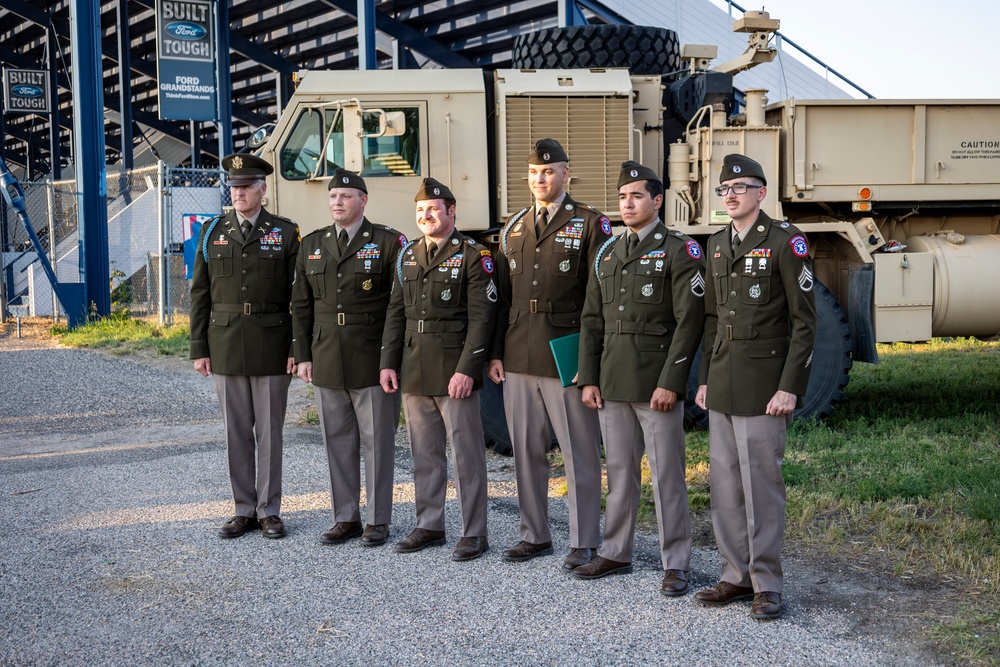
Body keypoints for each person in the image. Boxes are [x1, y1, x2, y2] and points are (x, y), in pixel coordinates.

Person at [693, 153, 817, 619]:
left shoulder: (787, 243)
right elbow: (710, 321)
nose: (731, 195)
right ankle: (733, 576)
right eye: (724, 189)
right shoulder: (717, 244)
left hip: (766, 385)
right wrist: (704, 378)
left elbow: (805, 324)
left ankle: (767, 583)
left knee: (761, 486)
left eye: (740, 187)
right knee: (725, 484)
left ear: (761, 193)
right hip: (722, 380)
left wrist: (790, 387)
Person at [575, 161, 705, 593]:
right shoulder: (608, 252)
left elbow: (690, 322)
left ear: (657, 200)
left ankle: (676, 563)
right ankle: (615, 552)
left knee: (667, 475)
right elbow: (592, 320)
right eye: (622, 197)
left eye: (636, 196)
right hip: (612, 380)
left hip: (656, 384)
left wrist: (672, 382)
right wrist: (588, 378)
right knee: (620, 474)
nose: (627, 204)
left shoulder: (679, 250)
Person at [489, 138, 612, 572]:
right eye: (534, 173)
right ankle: (534, 534)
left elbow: (601, 299)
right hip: (519, 352)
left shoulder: (592, 223)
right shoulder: (514, 226)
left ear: (566, 174)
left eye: (549, 171)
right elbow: (501, 298)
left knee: (579, 451)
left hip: (567, 352)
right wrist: (496, 352)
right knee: (526, 451)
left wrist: (591, 360)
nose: (540, 179)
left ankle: (584, 541)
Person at [379, 177, 497, 562]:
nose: (426, 215)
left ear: (451, 211)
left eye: (433, 208)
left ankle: (474, 532)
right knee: (424, 453)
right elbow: (396, 313)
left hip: (454, 371)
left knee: (466, 455)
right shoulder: (408, 255)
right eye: (420, 210)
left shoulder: (473, 256)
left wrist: (467, 369)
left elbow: (483, 319)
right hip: (414, 367)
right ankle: (429, 524)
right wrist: (388, 363)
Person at [291, 167, 406, 547]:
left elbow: (398, 306)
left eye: (344, 196)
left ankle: (377, 520)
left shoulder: (388, 242)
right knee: (337, 442)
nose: (336, 202)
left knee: (377, 443)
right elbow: (301, 305)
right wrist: (302, 354)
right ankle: (345, 518)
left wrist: (390, 358)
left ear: (363, 200)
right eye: (332, 197)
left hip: (372, 357)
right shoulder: (312, 243)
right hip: (326, 355)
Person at [190, 153, 300, 540]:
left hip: (272, 342)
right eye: (233, 187)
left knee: (269, 433)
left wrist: (296, 348)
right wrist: (198, 347)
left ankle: (269, 510)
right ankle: (243, 510)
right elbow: (199, 293)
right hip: (225, 343)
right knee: (236, 432)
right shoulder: (212, 231)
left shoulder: (285, 233)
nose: (238, 193)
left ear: (262, 190)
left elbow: (298, 297)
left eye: (245, 187)